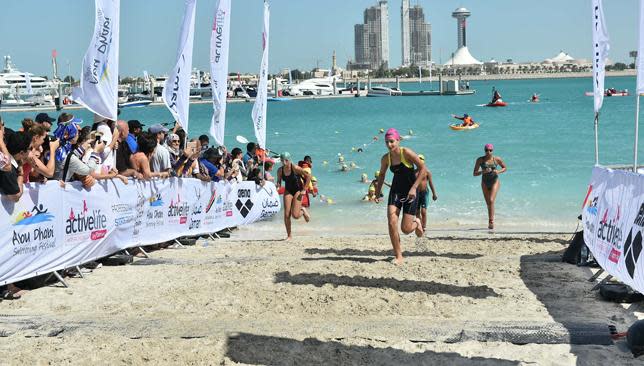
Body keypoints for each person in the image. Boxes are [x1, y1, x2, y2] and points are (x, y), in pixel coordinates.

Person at [373, 128, 426, 264]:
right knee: (391, 222)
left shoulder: (406, 152)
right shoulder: (386, 158)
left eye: (391, 141)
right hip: (396, 192)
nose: (389, 145)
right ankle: (399, 256)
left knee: (406, 229)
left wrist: (414, 188)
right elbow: (382, 175)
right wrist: (377, 192)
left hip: (411, 193)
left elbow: (423, 169)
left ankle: (417, 222)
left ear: (398, 140)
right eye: (387, 142)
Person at [276, 152, 311, 240]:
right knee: (286, 214)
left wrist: (304, 189)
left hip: (298, 191)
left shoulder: (295, 168)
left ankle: (302, 210)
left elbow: (308, 176)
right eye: (282, 160)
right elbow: (279, 182)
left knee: (295, 215)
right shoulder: (280, 170)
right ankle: (289, 235)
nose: (283, 162)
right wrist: (277, 187)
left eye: (285, 160)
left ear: (288, 160)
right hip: (288, 191)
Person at [473, 144, 507, 230]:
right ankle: (490, 221)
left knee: (491, 200)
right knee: (488, 202)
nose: (488, 152)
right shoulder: (480, 160)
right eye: (487, 150)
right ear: (484, 150)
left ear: (493, 151)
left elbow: (505, 168)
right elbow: (474, 173)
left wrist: (498, 171)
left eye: (490, 150)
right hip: (484, 182)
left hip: (494, 181)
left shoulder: (497, 159)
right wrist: (482, 171)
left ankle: (491, 221)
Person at [416, 154, 438, 232]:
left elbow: (431, 183)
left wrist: (434, 193)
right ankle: (419, 225)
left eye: (421, 162)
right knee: (417, 211)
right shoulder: (414, 172)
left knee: (423, 211)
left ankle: (424, 226)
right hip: (416, 193)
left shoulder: (427, 172)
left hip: (424, 192)